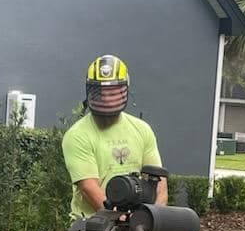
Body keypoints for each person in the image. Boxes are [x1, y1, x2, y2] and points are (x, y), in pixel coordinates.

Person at [62, 54, 168, 220]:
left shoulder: (142, 129)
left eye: (113, 92)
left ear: (124, 89)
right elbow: (89, 188)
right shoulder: (77, 135)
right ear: (90, 92)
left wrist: (155, 218)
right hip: (92, 228)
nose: (107, 98)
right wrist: (121, 219)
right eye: (101, 92)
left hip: (138, 224)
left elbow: (159, 181)